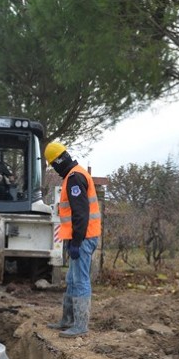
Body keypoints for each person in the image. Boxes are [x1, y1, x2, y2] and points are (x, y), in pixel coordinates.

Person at [44, 141, 102, 338]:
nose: (54, 169)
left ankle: (80, 325)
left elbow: (80, 213)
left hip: (83, 238)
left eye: (53, 165)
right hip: (78, 237)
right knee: (71, 279)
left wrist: (76, 242)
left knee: (80, 279)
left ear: (58, 161)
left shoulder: (75, 177)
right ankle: (68, 320)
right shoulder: (73, 175)